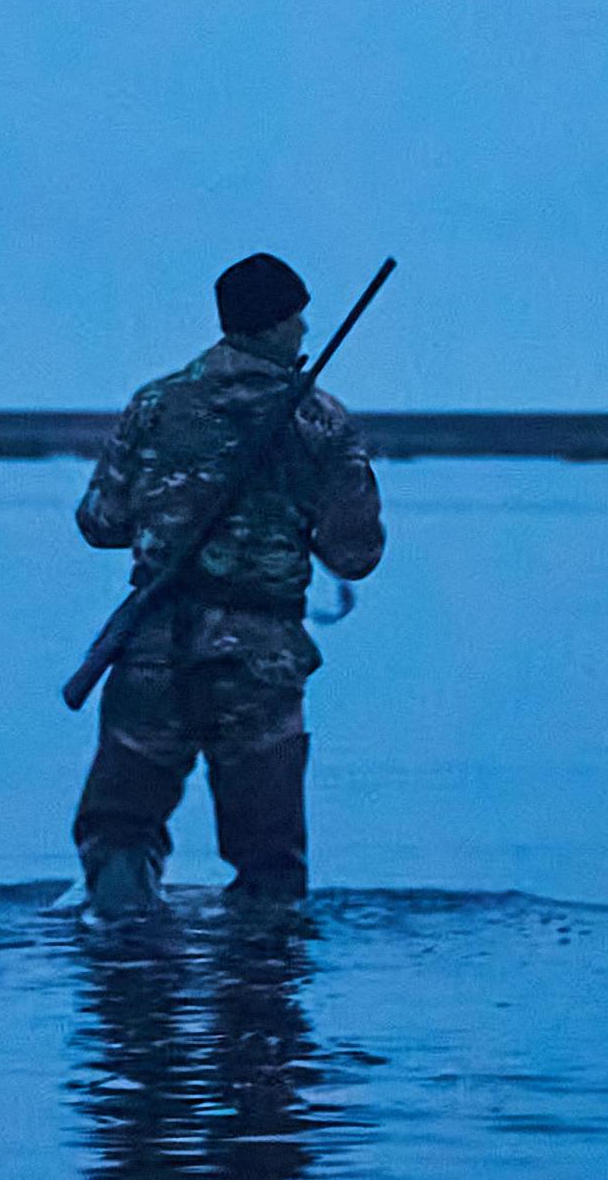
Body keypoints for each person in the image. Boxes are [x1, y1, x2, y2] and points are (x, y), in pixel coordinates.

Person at [69, 252, 385, 912]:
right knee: (269, 861)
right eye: (297, 318)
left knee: (121, 833)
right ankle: (259, 968)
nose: (305, 330)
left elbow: (100, 522)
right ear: (275, 324)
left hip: (152, 650)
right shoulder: (320, 420)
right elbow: (355, 554)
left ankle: (123, 955)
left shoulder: (154, 403)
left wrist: (173, 514)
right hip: (259, 660)